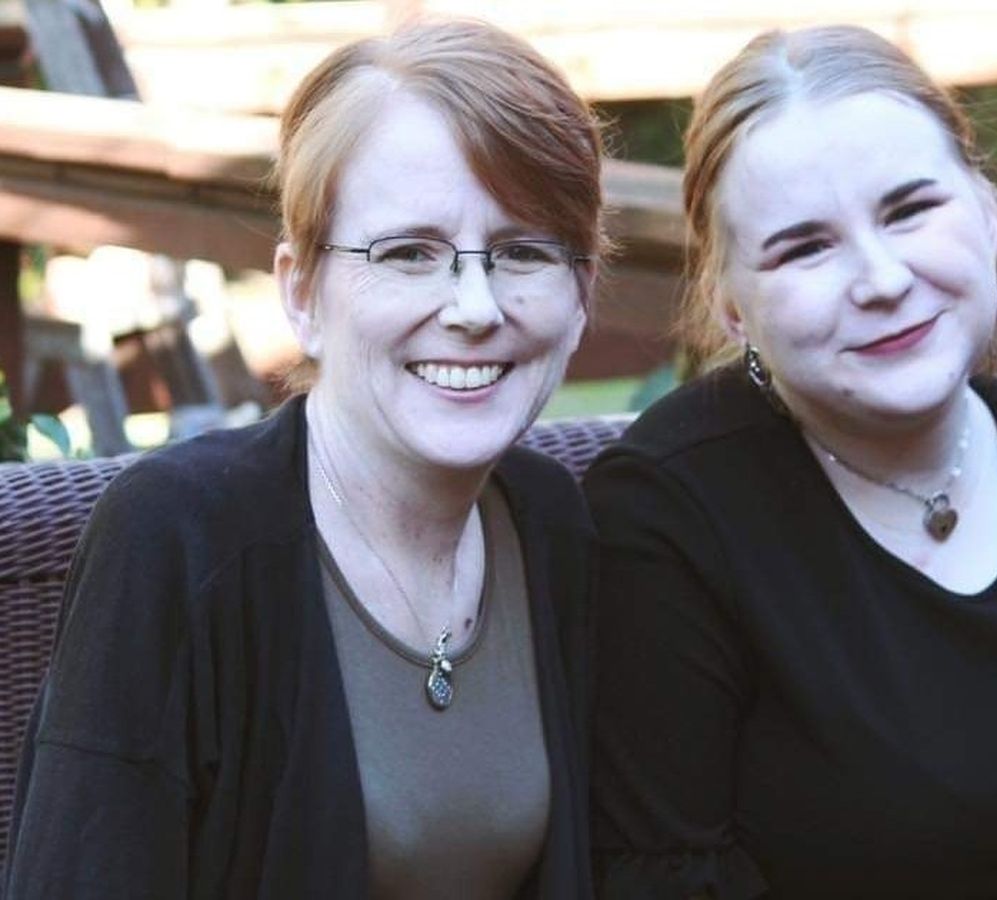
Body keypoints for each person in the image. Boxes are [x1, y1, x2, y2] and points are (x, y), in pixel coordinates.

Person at [585, 24, 997, 900]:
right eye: (805, 247)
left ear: (986, 209)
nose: (881, 280)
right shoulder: (667, 519)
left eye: (909, 210)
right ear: (730, 306)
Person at [5, 18, 603, 899]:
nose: (474, 307)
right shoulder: (177, 539)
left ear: (582, 292)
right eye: (410, 253)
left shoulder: (551, 524)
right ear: (302, 291)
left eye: (522, 252)